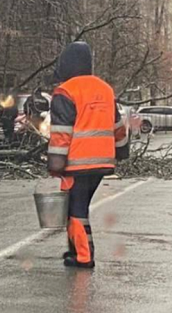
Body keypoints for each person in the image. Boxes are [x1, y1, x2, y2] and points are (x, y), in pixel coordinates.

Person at [47, 41, 129, 268]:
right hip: (102, 162)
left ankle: (83, 256)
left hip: (77, 162)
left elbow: (61, 133)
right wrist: (122, 151)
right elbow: (118, 125)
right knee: (79, 207)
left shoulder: (65, 91)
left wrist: (55, 163)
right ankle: (78, 250)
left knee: (75, 208)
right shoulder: (105, 88)